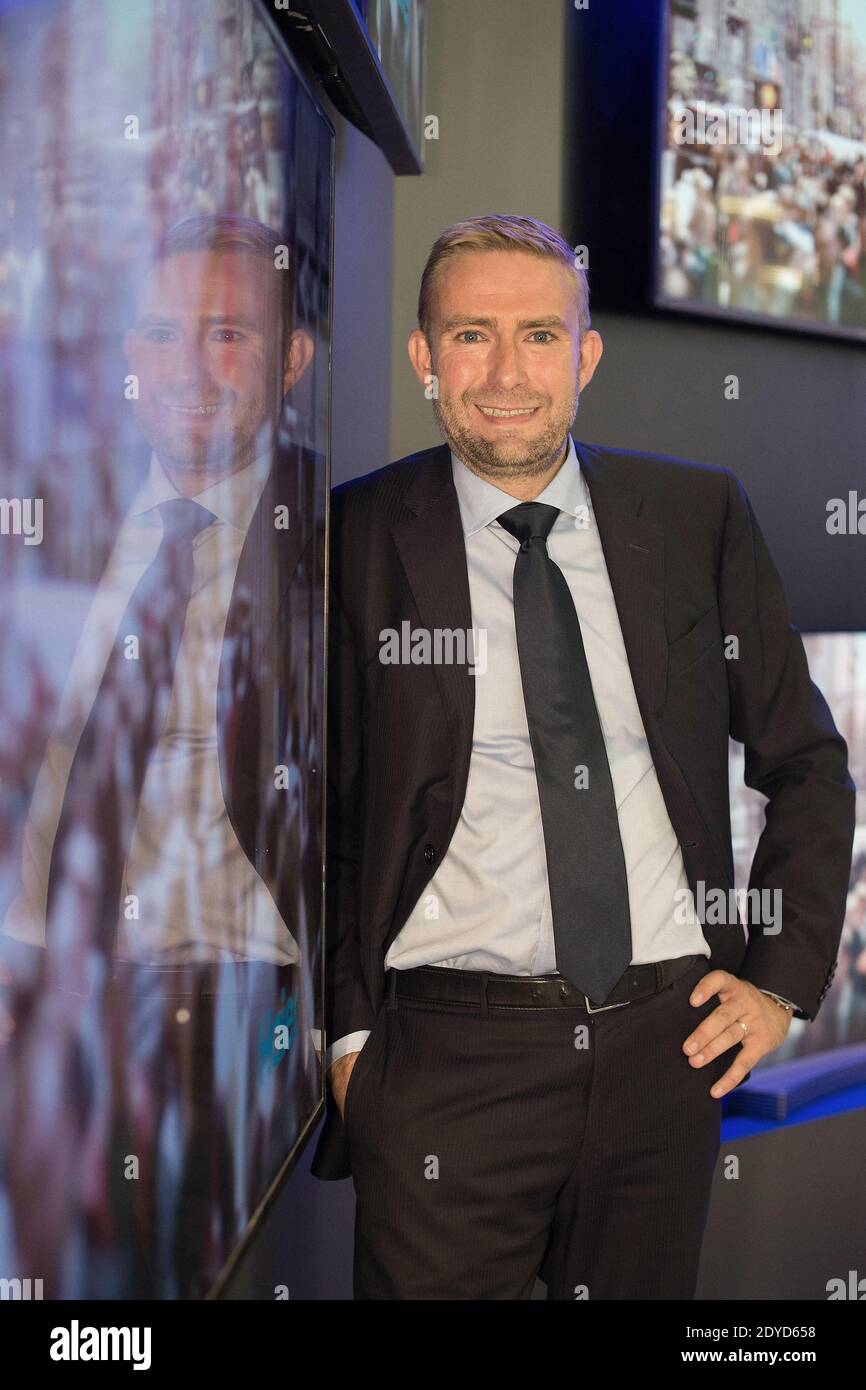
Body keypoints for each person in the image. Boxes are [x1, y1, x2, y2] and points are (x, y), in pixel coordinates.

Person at [310, 214, 856, 1300]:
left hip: (668, 1048)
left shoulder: (696, 514)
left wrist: (778, 987)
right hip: (444, 1064)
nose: (506, 372)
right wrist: (352, 1039)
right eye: (470, 335)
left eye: (538, 336)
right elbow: (315, 804)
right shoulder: (350, 540)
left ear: (584, 354)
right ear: (423, 357)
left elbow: (804, 760)